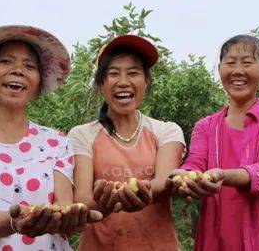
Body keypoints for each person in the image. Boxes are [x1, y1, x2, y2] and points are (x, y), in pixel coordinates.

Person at [0, 25, 100, 251]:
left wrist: (72, 218)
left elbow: (63, 206)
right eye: (6, 62)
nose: (18, 70)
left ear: (37, 85)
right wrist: (18, 222)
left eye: (29, 66)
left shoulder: (57, 142)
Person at [168, 35, 259, 250]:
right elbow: (194, 163)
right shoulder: (205, 127)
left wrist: (223, 175)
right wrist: (183, 178)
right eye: (230, 63)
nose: (238, 71)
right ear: (220, 68)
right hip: (218, 239)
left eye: (248, 63)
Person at [68, 35, 186, 250]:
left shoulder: (166, 131)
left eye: (133, 73)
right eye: (113, 73)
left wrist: (133, 192)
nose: (123, 82)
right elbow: (82, 199)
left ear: (146, 81)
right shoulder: (82, 135)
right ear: (101, 83)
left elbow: (164, 182)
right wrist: (108, 201)